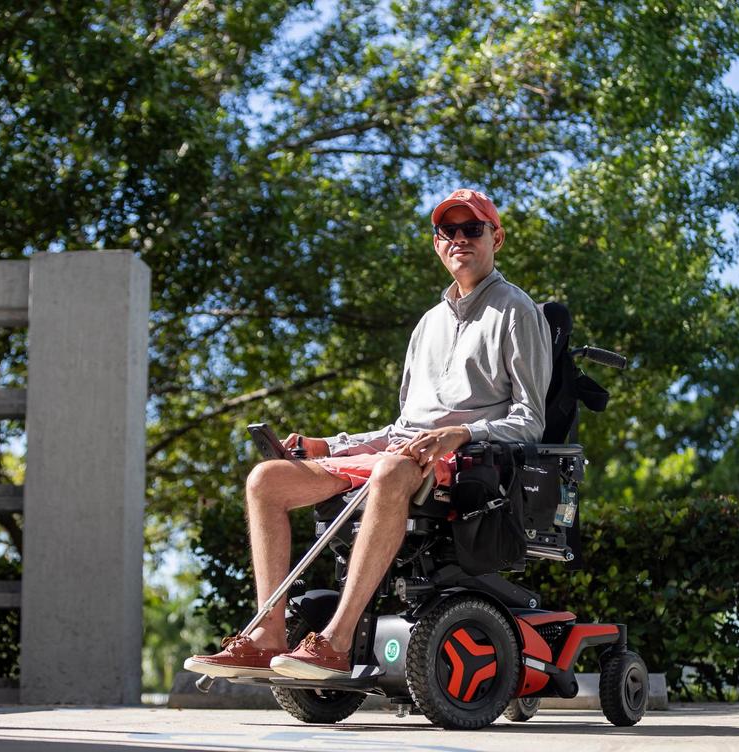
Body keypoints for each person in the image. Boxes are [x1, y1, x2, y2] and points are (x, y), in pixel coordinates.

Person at [185, 188, 552, 680]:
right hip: (400, 457)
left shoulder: (516, 311)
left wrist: (461, 433)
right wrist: (326, 447)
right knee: (266, 479)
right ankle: (267, 635)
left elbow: (530, 420)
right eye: (450, 231)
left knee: (390, 467)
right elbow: (398, 429)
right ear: (437, 244)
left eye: (473, 229)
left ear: (496, 237)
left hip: (468, 466)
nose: (460, 238)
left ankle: (336, 641)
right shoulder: (427, 326)